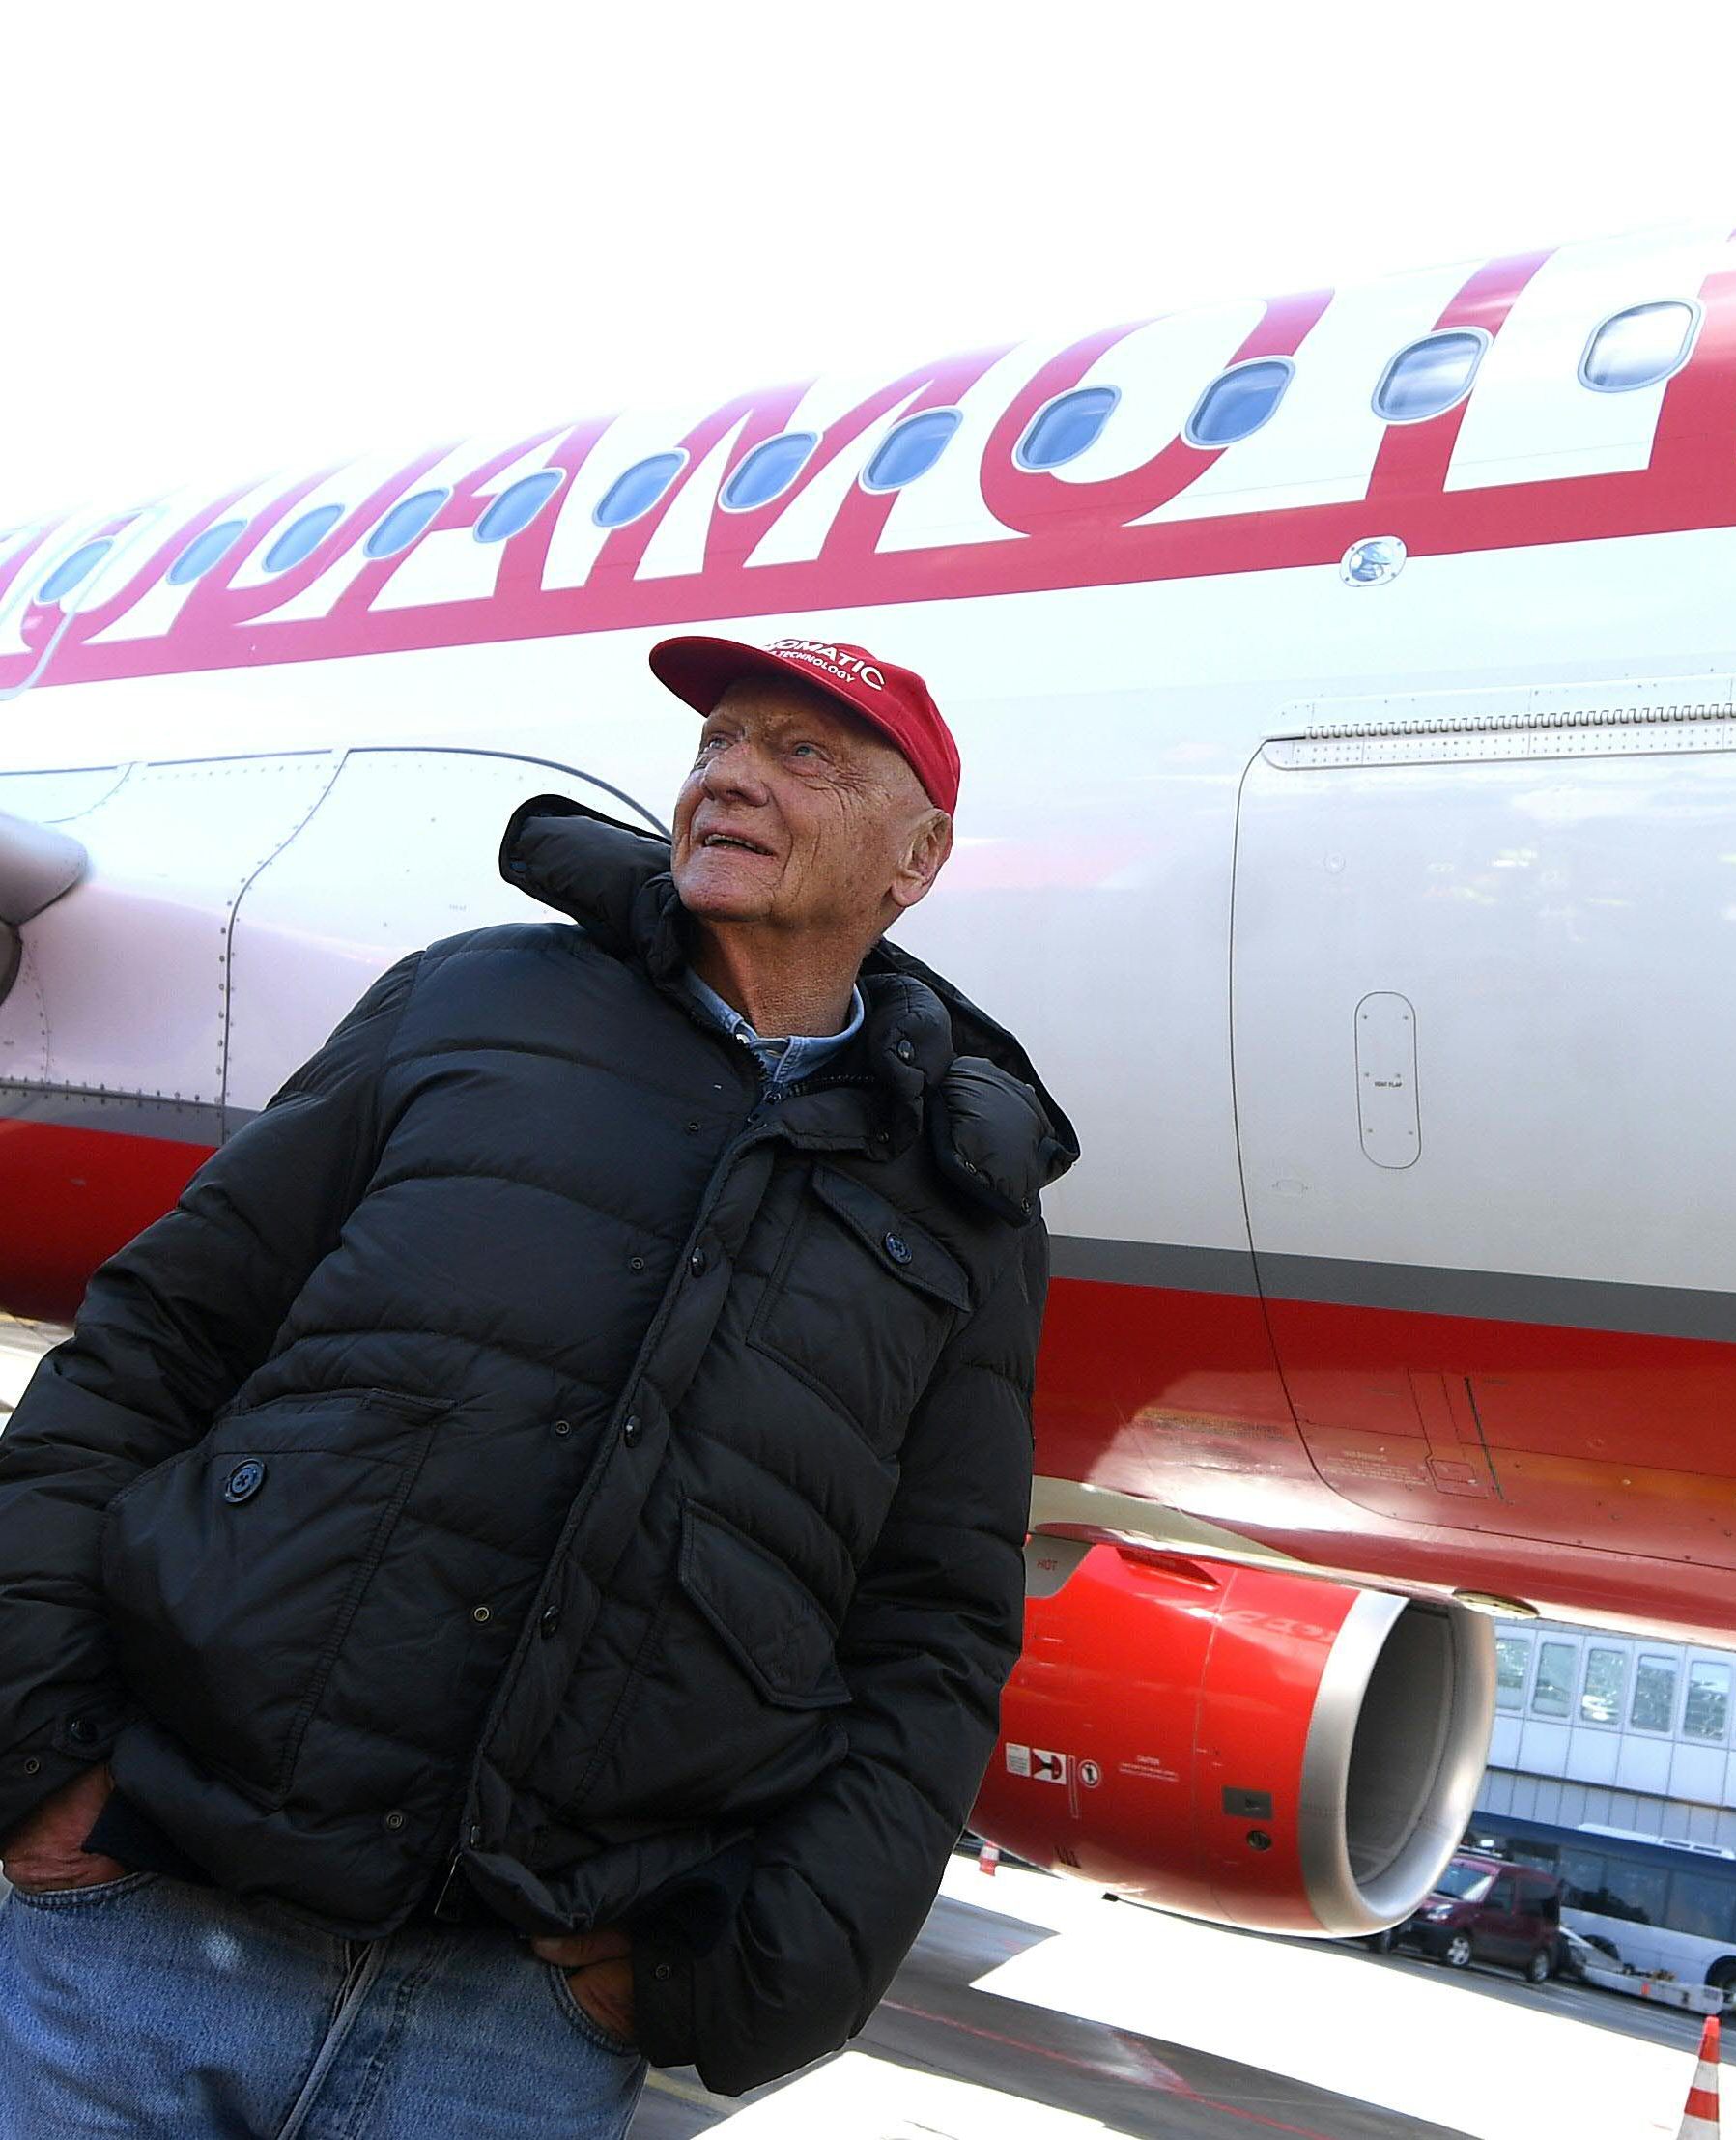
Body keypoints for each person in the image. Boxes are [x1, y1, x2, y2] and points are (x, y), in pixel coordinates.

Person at [0, 633, 1076, 2136]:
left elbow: (936, 1632)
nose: (730, 778)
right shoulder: (463, 1005)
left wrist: (747, 1974)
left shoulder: (969, 1204)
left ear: (918, 857)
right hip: (144, 1939)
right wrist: (38, 1758)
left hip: (515, 2032)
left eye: (803, 754)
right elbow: (150, 1353)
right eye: (717, 745)